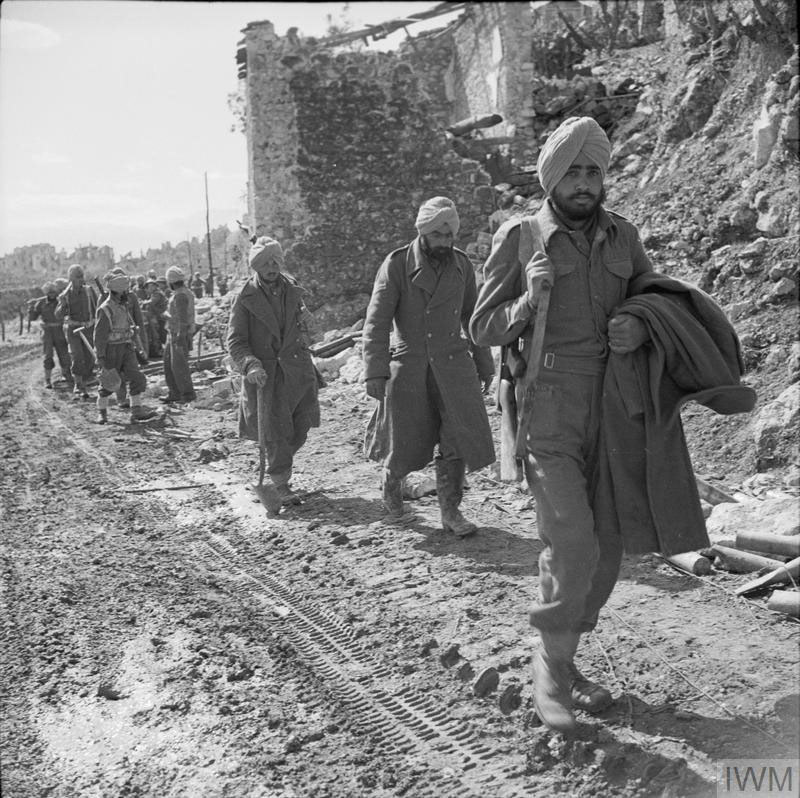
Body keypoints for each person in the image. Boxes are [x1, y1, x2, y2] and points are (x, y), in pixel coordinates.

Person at [470, 116, 756, 734]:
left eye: (593, 170)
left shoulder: (624, 235)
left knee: (606, 549)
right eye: (572, 170)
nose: (583, 182)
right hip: (549, 408)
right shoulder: (519, 238)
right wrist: (527, 302)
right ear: (552, 177)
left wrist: (638, 324)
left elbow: (651, 294)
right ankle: (550, 664)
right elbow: (482, 329)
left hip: (615, 408)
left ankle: (564, 662)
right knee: (571, 539)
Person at [362, 196, 495, 536]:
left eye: (450, 235)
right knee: (404, 442)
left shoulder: (462, 266)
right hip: (410, 367)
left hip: (454, 366)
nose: (445, 242)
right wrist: (375, 370)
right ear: (423, 232)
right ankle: (392, 494)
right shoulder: (397, 265)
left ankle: (451, 512)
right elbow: (376, 322)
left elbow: (471, 316)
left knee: (456, 440)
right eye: (438, 234)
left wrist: (484, 363)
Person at [226, 236, 320, 504]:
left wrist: (308, 328)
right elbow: (235, 341)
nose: (272, 266)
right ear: (256, 267)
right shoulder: (245, 298)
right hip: (266, 375)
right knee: (276, 431)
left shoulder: (293, 290)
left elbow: (307, 326)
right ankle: (280, 483)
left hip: (297, 370)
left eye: (276, 260)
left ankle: (278, 466)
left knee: (301, 425)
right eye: (266, 263)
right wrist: (250, 364)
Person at [93, 272, 157, 424]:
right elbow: (99, 336)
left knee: (136, 377)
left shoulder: (123, 306)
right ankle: (102, 413)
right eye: (124, 292)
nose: (127, 294)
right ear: (116, 292)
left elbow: (128, 325)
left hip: (127, 347)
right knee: (110, 383)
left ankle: (136, 410)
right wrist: (100, 357)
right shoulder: (105, 309)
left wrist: (133, 331)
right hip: (111, 350)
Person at [55, 264, 98, 400]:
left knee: (90, 357)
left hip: (88, 329)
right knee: (77, 357)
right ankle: (79, 385)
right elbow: (58, 315)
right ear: (71, 279)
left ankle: (86, 380)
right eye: (77, 277)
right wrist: (62, 304)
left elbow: (99, 308)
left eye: (81, 276)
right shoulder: (65, 295)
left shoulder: (89, 291)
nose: (80, 279)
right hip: (73, 331)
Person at [162, 266, 197, 404]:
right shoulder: (181, 293)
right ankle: (174, 392)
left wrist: (180, 336)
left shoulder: (180, 295)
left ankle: (187, 394)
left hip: (178, 334)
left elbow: (183, 319)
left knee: (179, 365)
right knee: (169, 364)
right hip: (173, 333)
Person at [29, 281, 71, 389]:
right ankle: (47, 380)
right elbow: (33, 318)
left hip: (59, 330)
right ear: (46, 293)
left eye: (53, 291)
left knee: (64, 355)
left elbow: (68, 313)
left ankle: (67, 376)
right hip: (47, 332)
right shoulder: (41, 303)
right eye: (50, 292)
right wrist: (31, 308)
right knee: (48, 356)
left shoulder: (60, 301)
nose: (52, 294)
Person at [143, 278, 167, 358]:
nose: (149, 288)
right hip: (159, 316)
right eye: (149, 286)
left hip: (160, 316)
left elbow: (152, 302)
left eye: (151, 286)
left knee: (156, 334)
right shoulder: (153, 294)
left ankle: (158, 351)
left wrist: (142, 303)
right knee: (156, 334)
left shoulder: (157, 293)